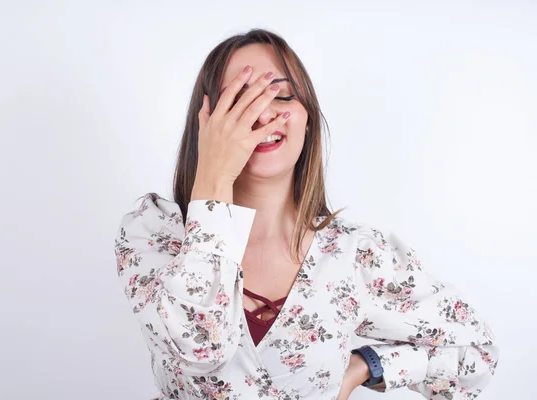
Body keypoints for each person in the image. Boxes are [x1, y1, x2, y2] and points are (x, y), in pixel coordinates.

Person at [113, 28, 498, 399]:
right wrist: (213, 176)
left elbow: (475, 353)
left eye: (282, 96)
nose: (264, 114)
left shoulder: (357, 254)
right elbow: (200, 348)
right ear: (207, 122)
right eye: (240, 101)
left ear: (307, 117)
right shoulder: (155, 230)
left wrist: (367, 366)